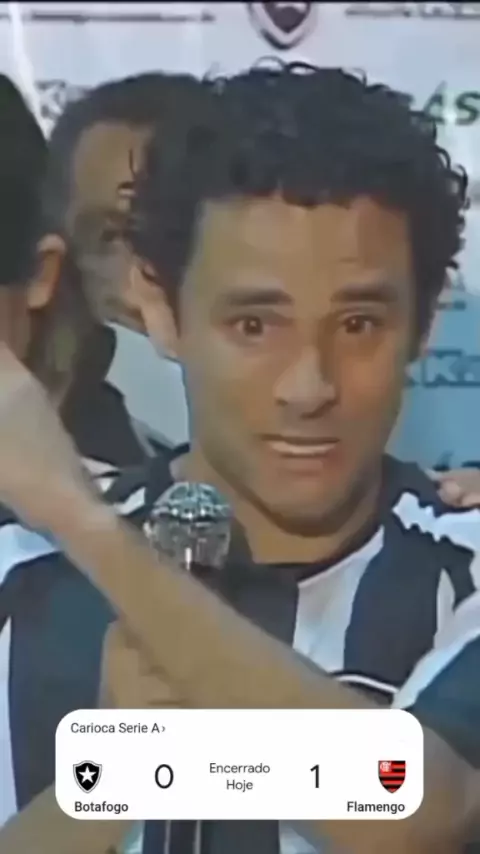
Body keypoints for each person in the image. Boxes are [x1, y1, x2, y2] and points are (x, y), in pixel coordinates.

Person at [1, 63, 480, 854]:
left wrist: (83, 523)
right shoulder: (21, 575)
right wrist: (104, 789)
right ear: (161, 309)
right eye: (255, 326)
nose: (309, 386)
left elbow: (404, 802)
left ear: (425, 324)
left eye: (359, 324)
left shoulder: (466, 567)